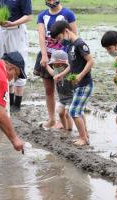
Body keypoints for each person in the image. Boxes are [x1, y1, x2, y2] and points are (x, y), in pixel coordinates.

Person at [50, 21, 94, 146]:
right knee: (78, 111)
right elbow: (72, 65)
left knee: (74, 111)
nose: (60, 41)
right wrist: (61, 74)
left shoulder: (80, 44)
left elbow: (91, 61)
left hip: (85, 84)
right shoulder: (70, 46)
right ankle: (85, 135)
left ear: (66, 31)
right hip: (78, 85)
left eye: (59, 37)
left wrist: (80, 76)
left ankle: (83, 138)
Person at [34, 0, 76, 129]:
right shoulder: (42, 15)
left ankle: (67, 122)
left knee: (64, 89)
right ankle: (52, 119)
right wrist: (44, 55)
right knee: (49, 89)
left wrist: (68, 57)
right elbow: (41, 36)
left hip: (63, 58)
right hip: (47, 55)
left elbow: (74, 35)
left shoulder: (68, 14)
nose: (51, 1)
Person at [44, 50, 74, 131]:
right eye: (54, 65)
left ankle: (70, 128)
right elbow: (52, 73)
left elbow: (71, 65)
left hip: (71, 98)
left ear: (63, 64)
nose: (55, 66)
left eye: (57, 65)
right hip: (62, 98)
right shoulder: (57, 71)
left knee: (68, 114)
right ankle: (65, 128)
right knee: (61, 113)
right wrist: (46, 65)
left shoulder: (69, 72)